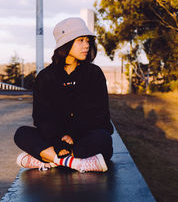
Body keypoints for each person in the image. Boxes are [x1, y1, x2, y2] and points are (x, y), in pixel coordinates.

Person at [13, 17, 113, 173]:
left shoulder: (94, 74)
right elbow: (41, 117)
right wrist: (58, 138)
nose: (86, 45)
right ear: (66, 44)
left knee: (103, 139)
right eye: (80, 40)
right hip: (55, 139)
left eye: (87, 41)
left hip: (85, 137)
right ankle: (74, 162)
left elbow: (100, 115)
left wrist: (73, 135)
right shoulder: (45, 77)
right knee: (21, 134)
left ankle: (50, 159)